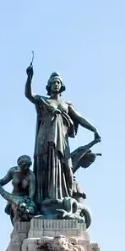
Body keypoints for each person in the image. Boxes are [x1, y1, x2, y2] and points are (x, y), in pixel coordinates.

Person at [25, 65, 100, 211]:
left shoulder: (66, 105)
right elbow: (29, 95)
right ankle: (46, 200)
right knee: (46, 166)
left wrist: (94, 129)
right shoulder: (43, 100)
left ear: (61, 86)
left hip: (61, 140)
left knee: (64, 166)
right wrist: (29, 77)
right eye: (53, 82)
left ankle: (60, 197)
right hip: (45, 139)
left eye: (57, 82)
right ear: (49, 86)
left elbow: (80, 118)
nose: (55, 84)